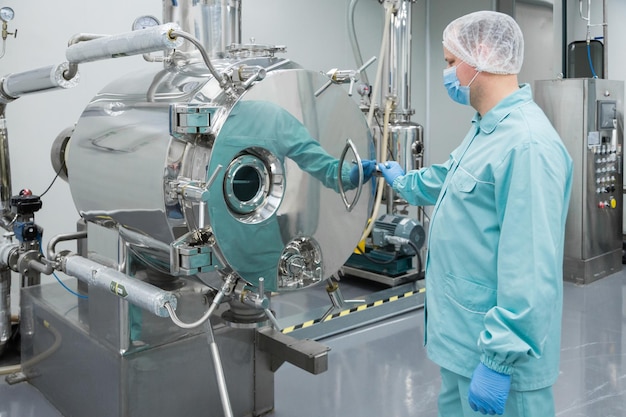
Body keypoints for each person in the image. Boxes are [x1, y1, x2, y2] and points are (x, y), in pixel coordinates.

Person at [353, 10, 573, 417]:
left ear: (483, 54)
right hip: (462, 344)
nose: (447, 74)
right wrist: (401, 179)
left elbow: (531, 270)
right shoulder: (486, 127)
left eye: (451, 63)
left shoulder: (527, 145)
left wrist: (498, 361)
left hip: (499, 361)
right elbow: (450, 178)